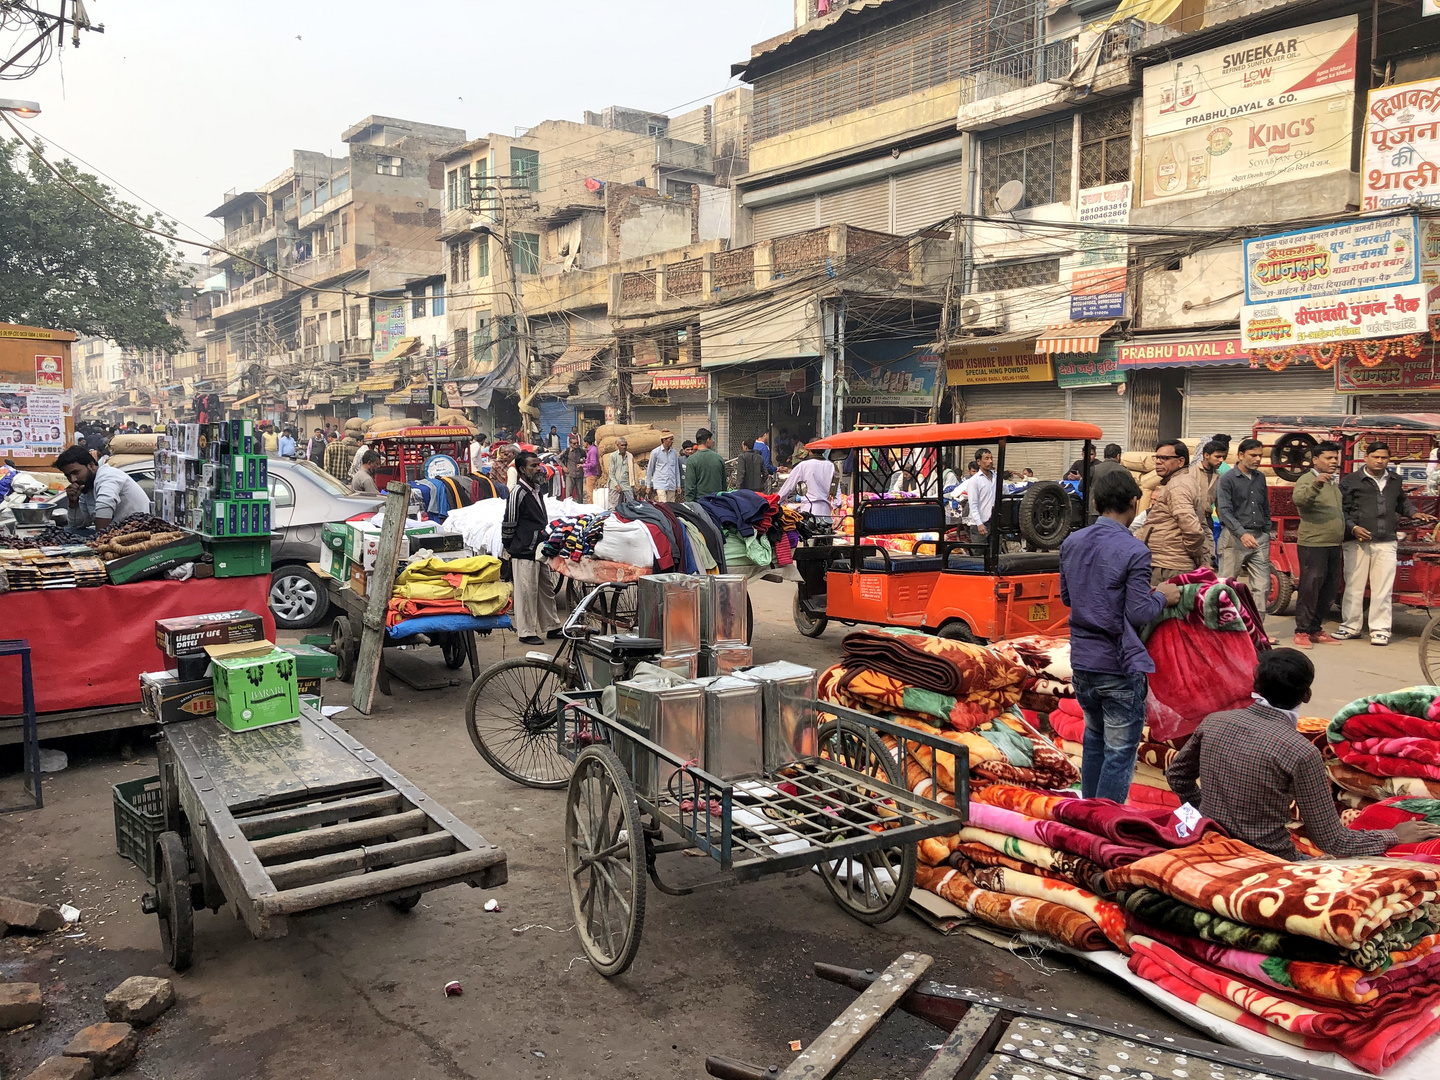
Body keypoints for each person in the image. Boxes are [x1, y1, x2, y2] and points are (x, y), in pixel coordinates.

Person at [1167, 649, 1440, 859]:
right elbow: (1333, 841)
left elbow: (1178, 776)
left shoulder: (1215, 722)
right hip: (1270, 860)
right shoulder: (1299, 751)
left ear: (1256, 687)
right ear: (1307, 695)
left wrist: (1205, 818)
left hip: (1213, 842)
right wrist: (1392, 835)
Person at [1060, 468, 1181, 802]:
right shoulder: (1134, 551)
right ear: (1133, 502)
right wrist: (1163, 597)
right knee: (1119, 751)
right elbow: (1139, 612)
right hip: (1117, 664)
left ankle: (1090, 812)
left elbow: (1069, 598)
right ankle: (1106, 822)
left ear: (1097, 503)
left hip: (1083, 662)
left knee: (1094, 740)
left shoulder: (1072, 542)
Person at [1339, 441, 1435, 646]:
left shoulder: (1394, 480)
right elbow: (1342, 510)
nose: (1380, 461)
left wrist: (1413, 512)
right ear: (1366, 457)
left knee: (1383, 588)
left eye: (1384, 458)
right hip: (1357, 541)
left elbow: (1401, 503)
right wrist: (1353, 528)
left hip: (1387, 540)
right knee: (1354, 586)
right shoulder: (1351, 481)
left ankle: (1380, 629)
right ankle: (1350, 626)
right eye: (1376, 457)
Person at [502, 450, 561, 645]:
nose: (538, 468)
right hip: (524, 549)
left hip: (539, 547)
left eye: (538, 465)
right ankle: (526, 632)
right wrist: (511, 546)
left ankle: (551, 626)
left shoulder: (536, 490)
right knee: (526, 592)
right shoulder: (518, 493)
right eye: (533, 466)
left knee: (546, 589)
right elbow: (509, 521)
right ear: (522, 469)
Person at [1290, 440, 1344, 649]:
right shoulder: (1307, 479)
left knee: (1329, 589)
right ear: (1315, 460)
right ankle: (1301, 630)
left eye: (1335, 458)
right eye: (1328, 458)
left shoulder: (1332, 482)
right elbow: (1299, 500)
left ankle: (1315, 628)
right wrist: (1316, 484)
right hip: (1313, 544)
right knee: (1310, 588)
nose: (1333, 461)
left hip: (1332, 544)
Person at [1216, 437, 1273, 632]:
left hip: (1259, 537)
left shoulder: (1260, 478)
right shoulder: (1227, 479)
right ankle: (1225, 629)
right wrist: (1241, 534)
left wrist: (1266, 528)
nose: (1257, 459)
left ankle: (1257, 630)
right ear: (1240, 455)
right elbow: (1224, 511)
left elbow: (1265, 505)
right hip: (1234, 538)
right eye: (1253, 455)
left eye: (1260, 455)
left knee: (1262, 586)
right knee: (1227, 586)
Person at [1138, 440, 1207, 584]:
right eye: (1156, 458)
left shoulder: (1178, 485)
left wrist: (1194, 555)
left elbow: (1192, 529)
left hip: (1168, 566)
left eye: (1164, 458)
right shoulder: (1181, 482)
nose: (1158, 462)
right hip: (1169, 562)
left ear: (1181, 461)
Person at [54, 445, 152, 531]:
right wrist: (73, 503)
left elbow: (105, 505)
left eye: (76, 473)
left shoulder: (107, 475)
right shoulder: (86, 486)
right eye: (68, 476)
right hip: (117, 533)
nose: (73, 479)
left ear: (91, 466)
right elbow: (78, 525)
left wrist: (99, 542)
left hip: (138, 531)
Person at [777, 446, 836, 520]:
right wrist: (837, 514)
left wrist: (778, 501)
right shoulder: (831, 466)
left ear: (809, 450)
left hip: (809, 511)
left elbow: (789, 486)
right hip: (826, 512)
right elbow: (836, 490)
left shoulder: (803, 465)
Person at [958, 448, 996, 541]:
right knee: (979, 554)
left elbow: (1005, 493)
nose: (990, 461)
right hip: (980, 524)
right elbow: (973, 504)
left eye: (991, 458)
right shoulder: (974, 481)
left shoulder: (996, 478)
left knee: (995, 553)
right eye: (986, 459)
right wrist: (979, 523)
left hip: (994, 523)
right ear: (979, 461)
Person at [683, 428, 726, 500]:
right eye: (711, 439)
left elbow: (690, 487)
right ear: (708, 440)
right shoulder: (719, 458)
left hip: (700, 503)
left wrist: (690, 505)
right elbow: (723, 484)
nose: (712, 441)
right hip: (717, 502)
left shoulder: (692, 460)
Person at [1194, 435, 1229, 520]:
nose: (1221, 460)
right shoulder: (1192, 473)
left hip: (1208, 518)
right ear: (1206, 455)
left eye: (1223, 457)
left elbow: (1220, 503)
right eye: (1217, 457)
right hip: (1193, 517)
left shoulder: (1218, 476)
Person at [1088, 443, 1128, 516]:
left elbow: (1081, 487)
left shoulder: (1094, 469)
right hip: (1116, 513)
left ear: (1104, 455)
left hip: (1094, 512)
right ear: (1118, 456)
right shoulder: (1124, 471)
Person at [644, 430, 682, 502]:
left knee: (671, 506)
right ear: (664, 440)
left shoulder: (674, 452)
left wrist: (678, 485)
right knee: (663, 505)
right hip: (660, 483)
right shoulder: (655, 452)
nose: (672, 441)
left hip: (671, 484)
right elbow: (650, 469)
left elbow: (676, 469)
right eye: (670, 439)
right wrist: (648, 486)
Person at [606, 436, 636, 506]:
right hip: (615, 486)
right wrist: (616, 485)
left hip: (626, 485)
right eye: (622, 445)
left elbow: (632, 473)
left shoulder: (630, 456)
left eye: (625, 445)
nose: (624, 447)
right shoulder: (613, 456)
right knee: (614, 508)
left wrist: (633, 488)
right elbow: (611, 473)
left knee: (632, 506)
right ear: (618, 446)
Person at [582, 432, 600, 503]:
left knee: (591, 494)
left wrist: (583, 465)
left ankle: (592, 509)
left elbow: (593, 463)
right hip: (591, 474)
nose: (583, 444)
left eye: (584, 442)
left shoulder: (592, 451)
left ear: (587, 443)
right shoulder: (592, 449)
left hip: (591, 474)